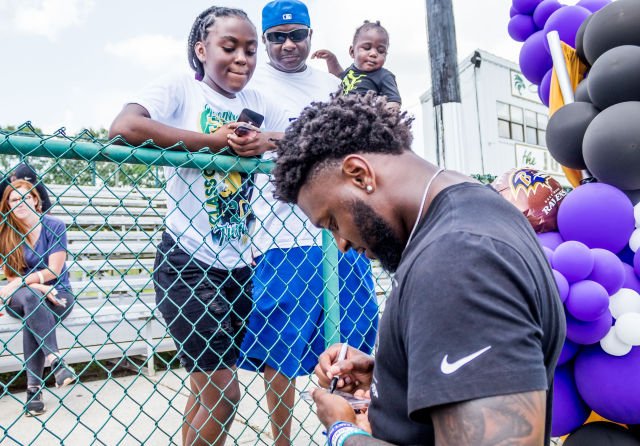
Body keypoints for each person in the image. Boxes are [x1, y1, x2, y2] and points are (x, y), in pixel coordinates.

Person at [271, 93, 566, 445]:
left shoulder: (457, 259)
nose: (341, 243)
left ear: (359, 174)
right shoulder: (474, 206)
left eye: (332, 222)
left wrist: (342, 432)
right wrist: (398, 376)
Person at [108, 6, 287, 446]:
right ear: (202, 49)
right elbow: (123, 127)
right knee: (223, 395)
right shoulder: (180, 88)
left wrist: (266, 142)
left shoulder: (260, 102)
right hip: (189, 262)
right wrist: (214, 143)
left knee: (204, 391)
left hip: (240, 265)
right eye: (229, 47)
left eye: (250, 49)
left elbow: (307, 136)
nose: (242, 58)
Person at [236, 1, 379, 445]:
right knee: (281, 349)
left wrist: (277, 140)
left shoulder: (330, 83)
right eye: (277, 37)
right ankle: (282, 438)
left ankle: (349, 430)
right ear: (264, 41)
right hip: (281, 235)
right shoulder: (250, 82)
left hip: (341, 232)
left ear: (311, 35)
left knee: (351, 340)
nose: (288, 44)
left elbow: (351, 135)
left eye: (297, 34)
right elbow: (242, 143)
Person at [0, 180, 76, 417]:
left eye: (25, 197)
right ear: (8, 205)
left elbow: (54, 271)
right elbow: (11, 278)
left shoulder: (55, 225)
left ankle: (34, 389)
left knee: (33, 317)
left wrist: (30, 283)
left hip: (58, 293)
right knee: (32, 297)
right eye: (14, 200)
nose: (20, 203)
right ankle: (55, 361)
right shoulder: (5, 232)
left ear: (34, 199)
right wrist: (38, 287)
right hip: (20, 297)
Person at [312, 20, 401, 109]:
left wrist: (383, 116)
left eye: (381, 51)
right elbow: (338, 77)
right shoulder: (350, 71)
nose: (373, 54)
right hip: (341, 113)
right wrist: (331, 59)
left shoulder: (384, 76)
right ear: (352, 52)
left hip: (365, 117)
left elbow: (394, 101)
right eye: (367, 48)